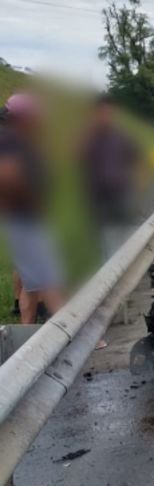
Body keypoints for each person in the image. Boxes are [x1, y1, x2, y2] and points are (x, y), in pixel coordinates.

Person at [0, 93, 64, 324]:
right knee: (51, 281)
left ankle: (25, 340)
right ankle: (74, 334)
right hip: (26, 221)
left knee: (32, 286)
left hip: (22, 220)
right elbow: (8, 177)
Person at [81, 93, 143, 260]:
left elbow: (135, 160)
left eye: (108, 112)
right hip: (98, 200)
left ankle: (116, 273)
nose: (105, 117)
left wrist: (136, 186)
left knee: (119, 239)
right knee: (107, 242)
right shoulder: (89, 137)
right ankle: (110, 276)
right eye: (101, 113)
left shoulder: (121, 137)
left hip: (120, 196)